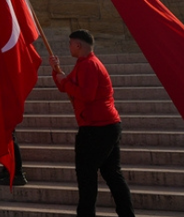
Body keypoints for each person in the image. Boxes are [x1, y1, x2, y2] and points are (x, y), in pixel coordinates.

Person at [51, 30, 135, 217]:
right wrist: (56, 71)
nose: (69, 47)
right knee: (112, 174)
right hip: (104, 125)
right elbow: (67, 85)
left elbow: (86, 94)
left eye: (70, 44)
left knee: (87, 175)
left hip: (97, 127)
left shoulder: (89, 65)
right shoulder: (84, 64)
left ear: (78, 45)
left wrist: (65, 82)